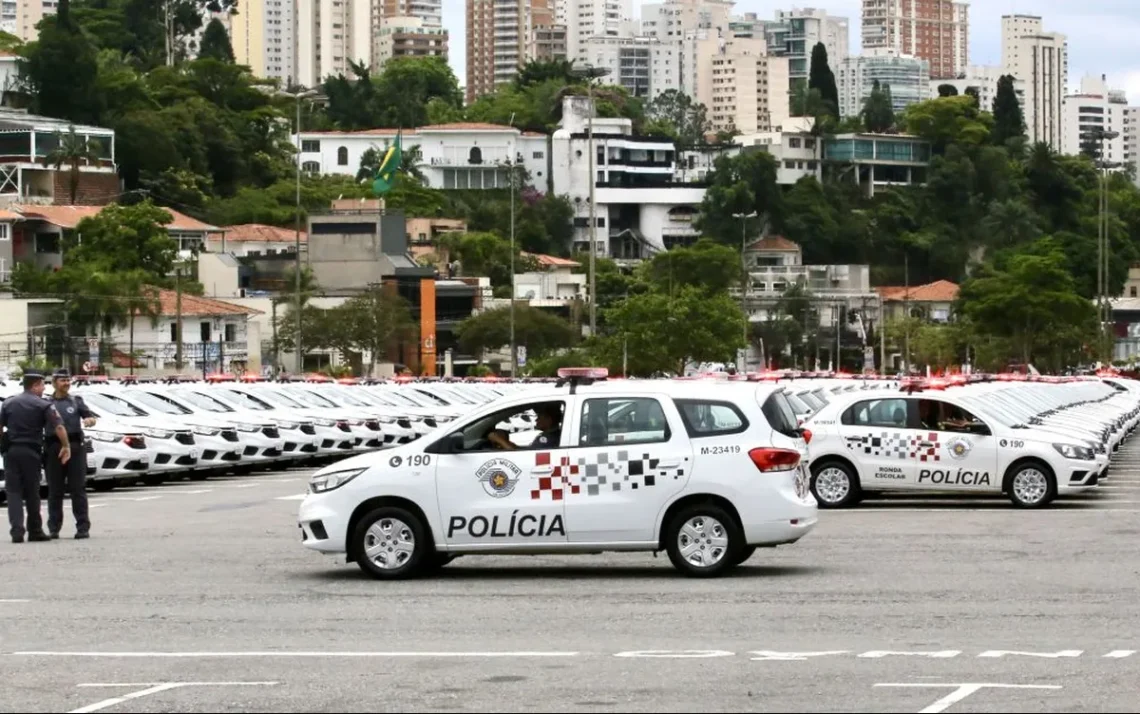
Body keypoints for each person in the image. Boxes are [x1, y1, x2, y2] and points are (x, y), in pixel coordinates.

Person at [0, 372, 70, 543]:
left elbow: (0, 427)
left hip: (11, 451)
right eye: (42, 385)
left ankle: (17, 531)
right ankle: (35, 530)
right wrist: (66, 446)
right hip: (31, 451)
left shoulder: (8, 403)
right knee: (32, 492)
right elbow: (59, 427)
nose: (44, 388)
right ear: (35, 385)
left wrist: (3, 446)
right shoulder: (43, 404)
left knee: (13, 492)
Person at [45, 369, 96, 539]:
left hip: (75, 447)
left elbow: (89, 416)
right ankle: (53, 528)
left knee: (77, 488)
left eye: (68, 380)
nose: (66, 383)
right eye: (62, 380)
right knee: (55, 490)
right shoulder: (46, 403)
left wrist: (90, 420)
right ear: (54, 383)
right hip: (54, 447)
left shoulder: (76, 401)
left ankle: (83, 527)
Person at [488, 403, 563, 450]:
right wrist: (507, 442)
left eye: (539, 417)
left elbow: (522, 456)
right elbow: (525, 450)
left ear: (548, 419)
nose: (536, 420)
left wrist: (500, 440)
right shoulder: (552, 435)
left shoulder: (547, 439)